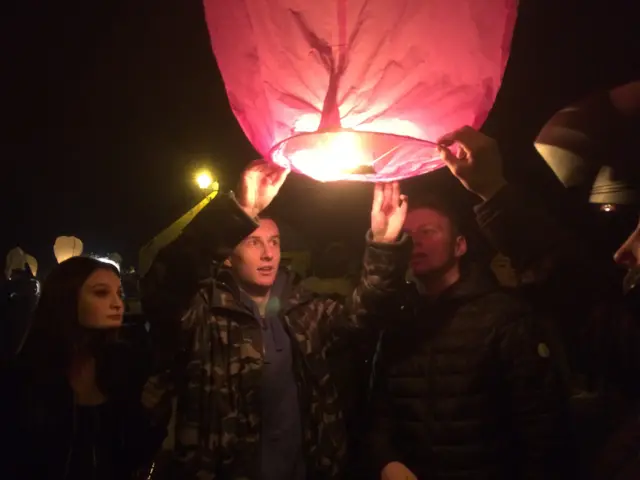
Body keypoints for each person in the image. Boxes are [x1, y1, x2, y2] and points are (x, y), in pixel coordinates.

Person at [140, 161, 411, 479]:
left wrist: (382, 244)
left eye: (274, 242)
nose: (268, 254)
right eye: (254, 242)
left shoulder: (305, 310)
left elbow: (366, 315)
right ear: (229, 254)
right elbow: (165, 282)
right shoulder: (203, 314)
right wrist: (238, 211)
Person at [436, 112, 640, 477]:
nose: (622, 252)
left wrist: (494, 191)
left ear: (460, 245)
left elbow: (573, 287)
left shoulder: (502, 319)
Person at [366, 195, 570, 480]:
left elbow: (542, 425)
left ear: (459, 245)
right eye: (407, 235)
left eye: (428, 232)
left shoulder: (503, 317)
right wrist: (387, 462)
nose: (416, 242)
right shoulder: (399, 321)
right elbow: (380, 413)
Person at [2, 256, 164, 480]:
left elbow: (134, 454)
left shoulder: (125, 366)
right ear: (67, 298)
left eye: (119, 293)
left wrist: (151, 415)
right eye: (101, 293)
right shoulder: (23, 377)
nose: (118, 303)